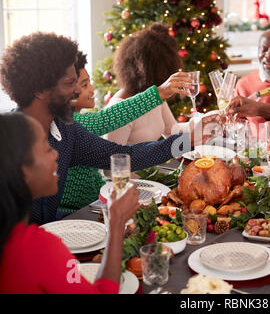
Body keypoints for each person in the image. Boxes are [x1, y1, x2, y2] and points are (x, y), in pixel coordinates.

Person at [0, 31, 216, 225]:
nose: (77, 92)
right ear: (39, 90)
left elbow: (124, 156)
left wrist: (186, 142)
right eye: (69, 84)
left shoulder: (65, 131)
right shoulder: (8, 142)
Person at [0, 112, 141, 293]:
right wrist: (116, 223)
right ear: (22, 170)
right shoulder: (39, 249)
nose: (55, 154)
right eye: (46, 148)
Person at [58, 49, 191, 216]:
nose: (92, 88)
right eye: (84, 85)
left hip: (95, 203)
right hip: (75, 214)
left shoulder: (80, 117)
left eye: (88, 82)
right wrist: (159, 92)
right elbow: (106, 120)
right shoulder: (72, 124)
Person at [104, 24, 196, 145]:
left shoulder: (154, 96)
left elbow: (173, 132)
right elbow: (111, 160)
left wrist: (203, 124)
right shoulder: (118, 110)